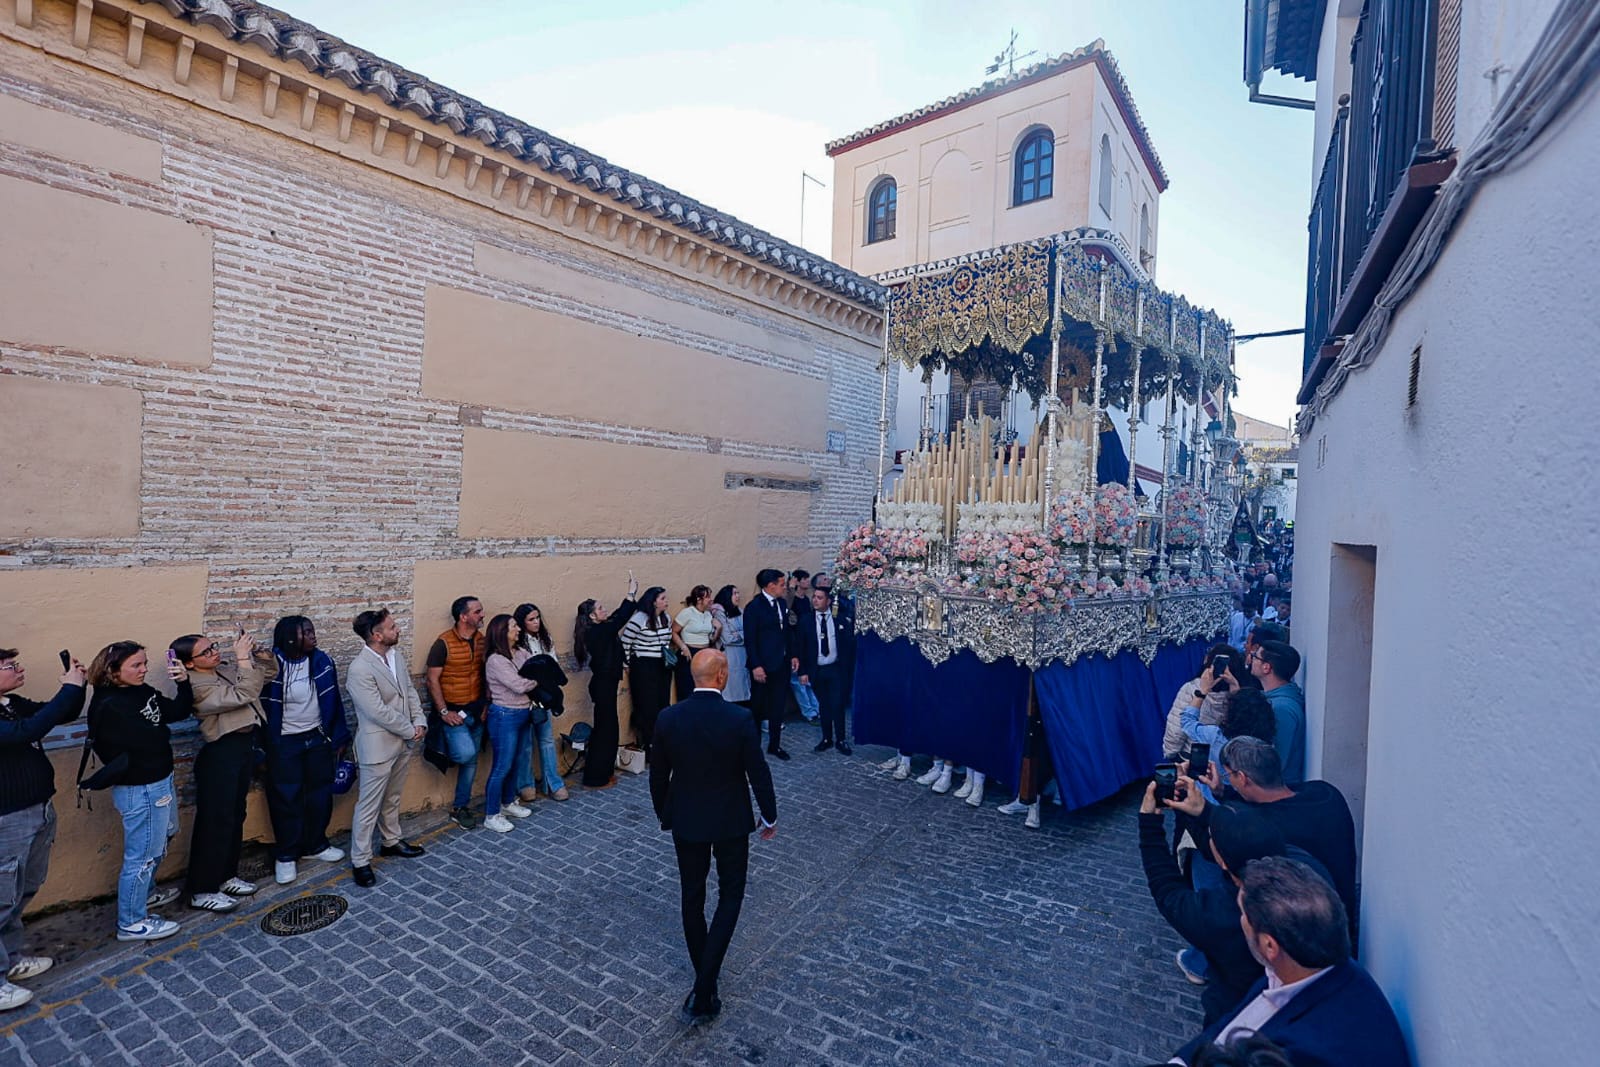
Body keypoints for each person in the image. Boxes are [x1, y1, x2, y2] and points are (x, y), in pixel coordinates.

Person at [1170, 857, 1411, 1066]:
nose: (1240, 920)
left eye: (1243, 914)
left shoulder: (1308, 1052)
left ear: (1269, 945)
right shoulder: (1305, 968)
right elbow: (1231, 1022)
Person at [649, 650, 777, 1024]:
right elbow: (758, 770)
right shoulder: (739, 718)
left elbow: (658, 776)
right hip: (731, 821)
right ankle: (704, 986)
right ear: (721, 676)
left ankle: (703, 984)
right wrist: (769, 814)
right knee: (730, 894)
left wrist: (665, 814)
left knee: (692, 896)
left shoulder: (669, 717)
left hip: (687, 820)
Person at [1139, 781, 1296, 1026]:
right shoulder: (1305, 869)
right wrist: (1201, 811)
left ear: (1222, 861)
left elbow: (1167, 890)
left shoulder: (1223, 914)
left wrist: (1149, 824)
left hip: (1235, 1018)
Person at [86, 641, 193, 942]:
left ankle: (144, 896)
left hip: (160, 780)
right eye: (137, 665)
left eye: (145, 663)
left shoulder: (141, 692)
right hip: (140, 787)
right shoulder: (108, 704)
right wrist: (159, 735)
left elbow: (175, 712)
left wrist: (182, 684)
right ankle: (131, 922)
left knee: (163, 838)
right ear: (113, 670)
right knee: (142, 856)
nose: (144, 669)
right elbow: (145, 740)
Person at [0, 647, 86, 1009]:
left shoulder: (11, 702)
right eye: (9, 666)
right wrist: (67, 690)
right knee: (2, 896)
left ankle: (11, 959)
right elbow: (25, 732)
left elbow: (57, 716)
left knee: (23, 889)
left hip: (38, 809)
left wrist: (76, 687)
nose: (18, 669)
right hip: (8, 819)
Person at [1210, 738, 1359, 939]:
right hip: (1341, 919)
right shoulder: (1325, 793)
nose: (1231, 782)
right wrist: (1223, 792)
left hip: (1308, 936)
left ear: (1243, 778)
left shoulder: (1266, 828)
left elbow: (1247, 824)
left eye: (1229, 776)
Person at [173, 631, 275, 912]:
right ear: (189, 664)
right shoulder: (195, 685)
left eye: (213, 647)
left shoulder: (223, 671)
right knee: (214, 823)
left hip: (243, 748)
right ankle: (201, 889)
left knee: (234, 816)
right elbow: (244, 693)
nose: (214, 653)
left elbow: (264, 676)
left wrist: (258, 653)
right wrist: (242, 658)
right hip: (220, 753)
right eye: (205, 652)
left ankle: (226, 875)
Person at [260, 615, 350, 886]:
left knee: (319, 793)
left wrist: (339, 735)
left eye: (312, 631)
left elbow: (335, 701)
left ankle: (316, 845)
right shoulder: (271, 666)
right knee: (286, 797)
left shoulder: (322, 661)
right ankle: (286, 854)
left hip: (317, 739)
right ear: (290, 637)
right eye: (306, 632)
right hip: (285, 742)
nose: (313, 636)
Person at [347, 609, 428, 887]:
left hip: (403, 742)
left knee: (392, 798)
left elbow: (410, 691)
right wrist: (410, 729)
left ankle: (391, 841)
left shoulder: (396, 657)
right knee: (368, 807)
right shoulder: (359, 668)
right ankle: (360, 860)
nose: (398, 630)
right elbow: (377, 711)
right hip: (377, 747)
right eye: (392, 627)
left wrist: (419, 720)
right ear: (377, 635)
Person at [425, 596, 487, 829]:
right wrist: (442, 712)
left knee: (471, 762)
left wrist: (486, 706)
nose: (482, 615)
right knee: (465, 755)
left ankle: (460, 807)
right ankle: (441, 749)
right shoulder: (443, 643)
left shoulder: (481, 640)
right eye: (477, 611)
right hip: (453, 712)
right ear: (463, 617)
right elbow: (432, 680)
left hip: (477, 709)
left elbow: (486, 674)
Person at [574, 576, 637, 789]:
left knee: (607, 729)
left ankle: (602, 773)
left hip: (605, 685)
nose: (604, 610)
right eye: (600, 609)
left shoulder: (598, 630)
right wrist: (630, 595)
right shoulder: (597, 632)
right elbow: (620, 618)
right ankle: (596, 777)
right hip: (603, 686)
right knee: (606, 731)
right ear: (592, 616)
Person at [481, 614, 537, 834]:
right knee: (501, 766)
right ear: (502, 632)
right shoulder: (496, 660)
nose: (519, 630)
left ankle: (508, 802)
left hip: (523, 713)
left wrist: (535, 677)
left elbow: (535, 666)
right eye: (514, 626)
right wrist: (538, 681)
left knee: (515, 761)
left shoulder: (519, 653)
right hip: (504, 716)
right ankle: (491, 814)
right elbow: (518, 685)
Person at [512, 603, 568, 802]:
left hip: (544, 696)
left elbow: (553, 666)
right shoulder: (517, 643)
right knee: (525, 744)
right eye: (531, 619)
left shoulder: (545, 639)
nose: (536, 623)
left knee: (546, 740)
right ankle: (526, 784)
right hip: (524, 698)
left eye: (537, 618)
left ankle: (554, 783)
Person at [796, 586, 856, 757]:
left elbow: (849, 646)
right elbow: (801, 647)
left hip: (835, 669)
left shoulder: (840, 619)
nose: (815, 600)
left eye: (820, 597)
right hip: (817, 669)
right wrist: (802, 671)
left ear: (828, 601)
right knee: (824, 705)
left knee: (838, 704)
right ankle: (826, 738)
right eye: (814, 597)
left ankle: (841, 739)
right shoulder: (806, 620)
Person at [1162, 645, 1246, 761]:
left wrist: (1170, 753)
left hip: (1192, 758)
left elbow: (1176, 728)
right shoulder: (1241, 694)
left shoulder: (1192, 689)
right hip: (1225, 760)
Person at [744, 568, 795, 760]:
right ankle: (754, 746)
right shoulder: (754, 607)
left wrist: (792, 655)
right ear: (770, 585)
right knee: (757, 707)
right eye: (782, 585)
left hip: (781, 663)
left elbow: (786, 632)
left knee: (778, 706)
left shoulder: (782, 604)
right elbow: (750, 639)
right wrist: (756, 665)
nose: (785, 588)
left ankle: (775, 745)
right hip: (762, 666)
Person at [620, 587, 673, 759]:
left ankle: (663, 743)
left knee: (662, 703)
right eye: (663, 598)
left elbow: (667, 640)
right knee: (647, 705)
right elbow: (626, 641)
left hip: (662, 664)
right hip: (644, 664)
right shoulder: (639, 619)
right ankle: (649, 745)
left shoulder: (666, 618)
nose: (666, 601)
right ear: (653, 601)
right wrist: (626, 663)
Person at [1250, 641, 1306, 784]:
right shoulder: (1277, 699)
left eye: (1255, 656)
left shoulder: (1281, 708)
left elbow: (1277, 760)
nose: (1251, 659)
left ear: (1266, 667)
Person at [671, 586, 720, 703]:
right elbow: (673, 631)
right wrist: (683, 647)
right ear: (699, 599)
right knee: (687, 688)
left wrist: (718, 629)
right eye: (708, 597)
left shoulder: (708, 614)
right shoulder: (687, 613)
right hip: (689, 653)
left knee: (704, 687)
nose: (711, 600)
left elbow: (711, 639)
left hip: (704, 654)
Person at [710, 586, 749, 707]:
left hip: (743, 655)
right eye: (734, 593)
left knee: (745, 687)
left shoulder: (740, 611)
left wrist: (739, 634)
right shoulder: (719, 613)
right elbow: (727, 638)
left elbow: (749, 631)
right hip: (729, 655)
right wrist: (741, 636)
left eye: (738, 593)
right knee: (731, 689)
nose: (738, 596)